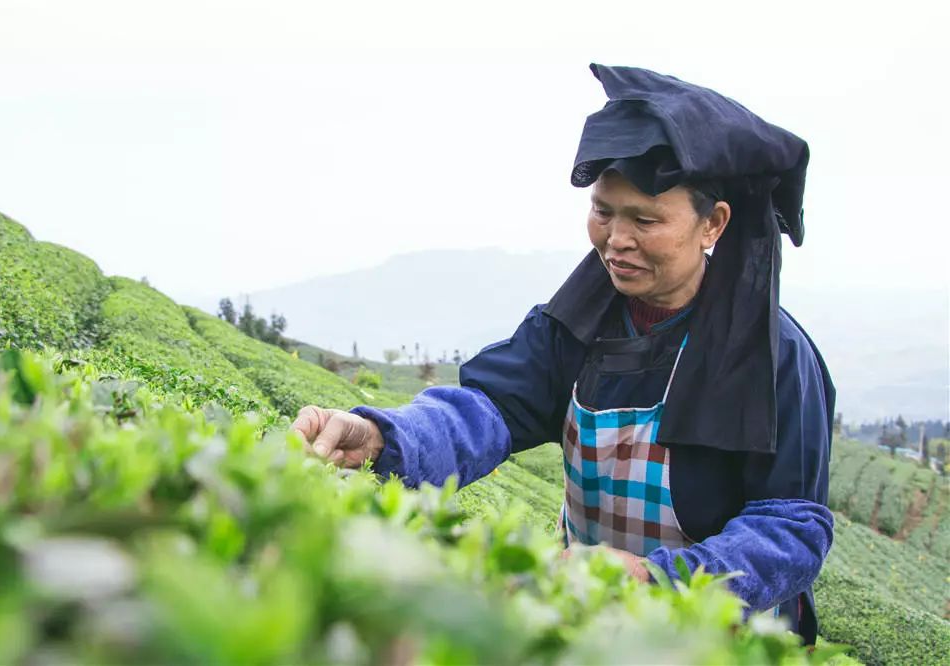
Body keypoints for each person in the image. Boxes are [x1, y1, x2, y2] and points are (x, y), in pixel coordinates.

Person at [290, 64, 836, 646]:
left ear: (713, 225)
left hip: (723, 644)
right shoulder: (576, 325)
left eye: (645, 220)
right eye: (604, 211)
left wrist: (660, 582)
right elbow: (486, 409)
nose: (616, 240)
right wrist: (382, 435)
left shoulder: (773, 358)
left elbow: (790, 526)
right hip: (590, 627)